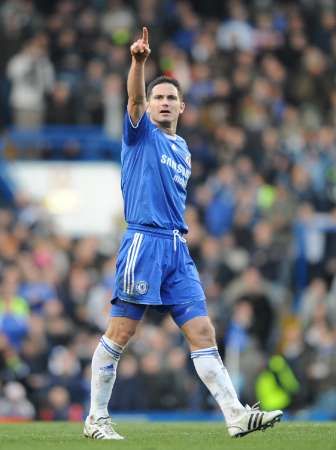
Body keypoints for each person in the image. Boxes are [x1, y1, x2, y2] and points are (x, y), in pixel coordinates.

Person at [83, 27, 283, 440]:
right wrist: (138, 63)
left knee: (203, 332)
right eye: (159, 97)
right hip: (144, 242)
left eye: (171, 98)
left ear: (182, 107)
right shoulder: (140, 135)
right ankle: (96, 418)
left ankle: (235, 414)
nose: (164, 102)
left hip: (177, 247)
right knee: (120, 333)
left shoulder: (183, 148)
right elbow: (134, 98)